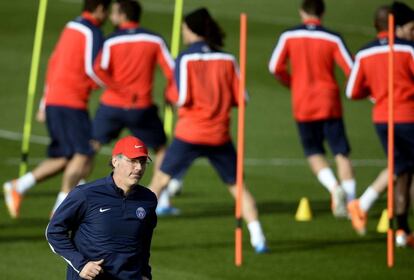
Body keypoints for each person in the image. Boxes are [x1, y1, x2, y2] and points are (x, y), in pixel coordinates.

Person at [149, 7, 268, 253]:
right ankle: (258, 236)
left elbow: (180, 97)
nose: (182, 33)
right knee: (238, 188)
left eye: (184, 29)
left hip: (190, 133)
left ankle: (131, 230)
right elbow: (242, 99)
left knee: (159, 181)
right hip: (219, 135)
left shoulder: (185, 58)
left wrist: (169, 95)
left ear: (192, 30)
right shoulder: (228, 59)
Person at [3, 0, 111, 218]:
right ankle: (62, 209)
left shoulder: (70, 26)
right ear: (100, 8)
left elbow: (53, 63)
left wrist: (45, 102)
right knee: (84, 155)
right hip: (71, 101)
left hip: (55, 99)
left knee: (65, 155)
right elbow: (93, 69)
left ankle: (19, 186)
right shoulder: (92, 31)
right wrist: (115, 85)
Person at [268, 0, 355, 217]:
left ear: (301, 12)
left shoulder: (289, 36)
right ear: (323, 13)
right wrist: (346, 89)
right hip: (329, 102)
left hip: (303, 103)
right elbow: (352, 69)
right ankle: (353, 204)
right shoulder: (332, 38)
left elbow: (274, 67)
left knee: (314, 152)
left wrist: (291, 82)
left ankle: (334, 189)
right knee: (341, 152)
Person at [346, 5, 414, 246]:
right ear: (397, 26)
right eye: (411, 28)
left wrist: (378, 93)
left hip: (382, 120)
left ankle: (402, 231)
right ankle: (373, 210)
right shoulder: (409, 50)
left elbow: (352, 91)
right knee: (402, 170)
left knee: (402, 171)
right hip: (408, 117)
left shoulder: (365, 52)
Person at [46, 135, 157, 280]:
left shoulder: (148, 199)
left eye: (143, 162)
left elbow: (143, 242)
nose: (138, 168)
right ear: (115, 161)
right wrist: (81, 264)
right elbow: (54, 231)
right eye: (133, 161)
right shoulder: (85, 194)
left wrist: (145, 274)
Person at [92, 0, 174, 184]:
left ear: (123, 15)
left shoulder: (110, 40)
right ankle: (160, 197)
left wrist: (119, 89)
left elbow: (97, 70)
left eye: (114, 12)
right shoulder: (155, 39)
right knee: (161, 149)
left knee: (92, 146)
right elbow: (173, 71)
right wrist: (169, 93)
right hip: (141, 108)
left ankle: (71, 190)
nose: (111, 16)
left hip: (111, 105)